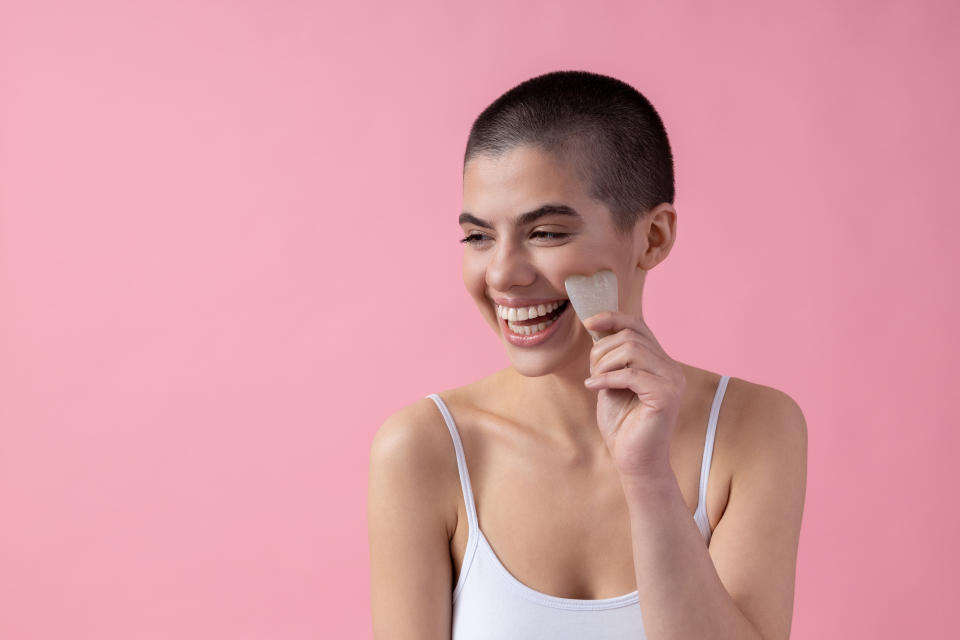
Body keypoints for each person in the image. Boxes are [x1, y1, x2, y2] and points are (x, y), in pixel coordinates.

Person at [368, 70, 807, 640]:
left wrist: (647, 475)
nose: (502, 273)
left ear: (653, 238)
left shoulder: (753, 430)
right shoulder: (422, 450)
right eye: (478, 237)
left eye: (546, 233)